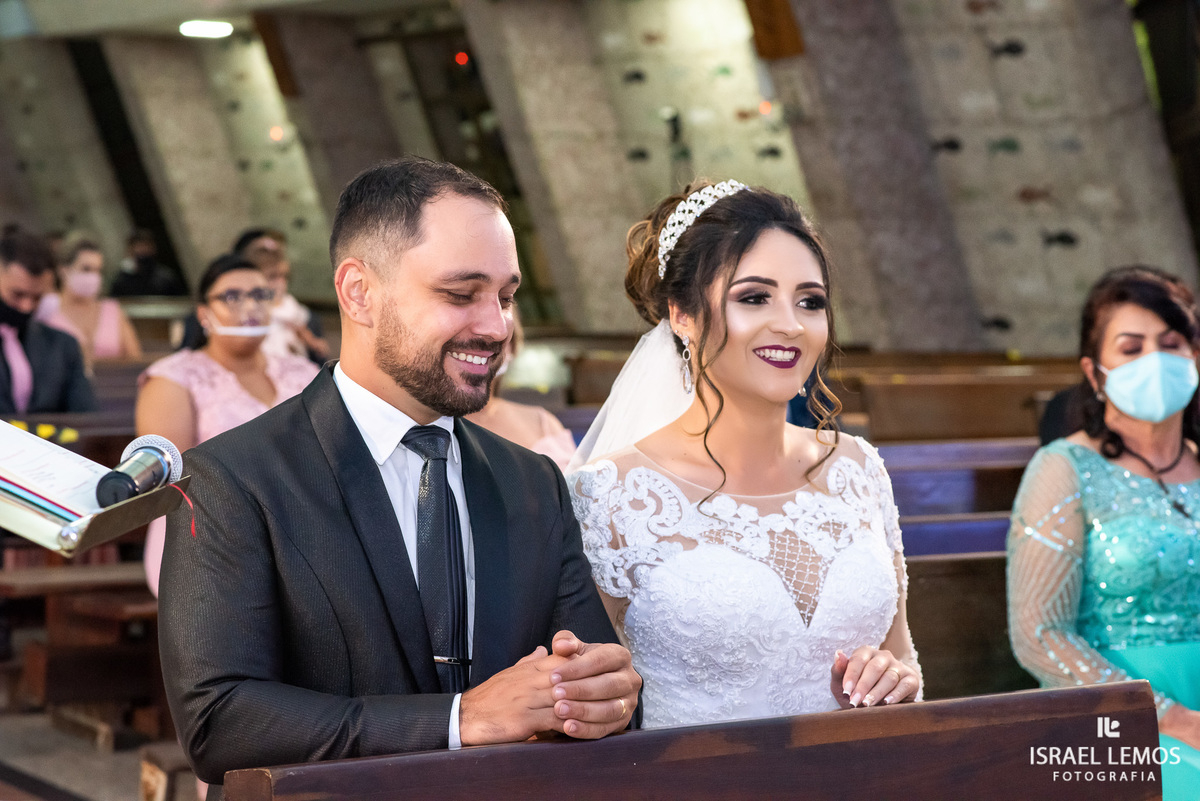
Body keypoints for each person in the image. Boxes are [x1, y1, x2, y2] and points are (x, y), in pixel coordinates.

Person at [157, 158, 639, 796]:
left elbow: (587, 680)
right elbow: (220, 722)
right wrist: (457, 719)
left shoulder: (533, 483)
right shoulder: (232, 478)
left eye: (506, 296)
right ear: (359, 291)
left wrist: (606, 695)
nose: (496, 325)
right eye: (460, 294)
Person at [567, 180, 921, 729]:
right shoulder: (612, 496)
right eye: (754, 297)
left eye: (811, 301)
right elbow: (582, 707)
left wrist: (896, 679)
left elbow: (902, 655)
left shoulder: (858, 469)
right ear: (681, 314)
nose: (790, 324)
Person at [1008, 266, 1200, 798]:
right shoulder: (1064, 468)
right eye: (1131, 348)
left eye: (1172, 343)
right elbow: (1040, 634)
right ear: (1096, 374)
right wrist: (1172, 718)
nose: (1155, 361)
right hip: (1118, 720)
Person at [137, 252, 320, 595]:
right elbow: (169, 478)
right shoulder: (173, 378)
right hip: (202, 537)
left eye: (261, 295)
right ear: (204, 313)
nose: (249, 307)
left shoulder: (303, 373)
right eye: (232, 297)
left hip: (300, 533)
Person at [178, 229, 330, 363]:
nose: (279, 284)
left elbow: (318, 363)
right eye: (271, 277)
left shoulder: (301, 315)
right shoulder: (210, 317)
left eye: (284, 276)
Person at [0, 230, 96, 414]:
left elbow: (86, 417)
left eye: (37, 297)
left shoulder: (63, 346)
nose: (26, 307)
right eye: (17, 294)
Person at [465, 311, 576, 469]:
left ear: (513, 345)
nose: (484, 346)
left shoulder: (543, 422)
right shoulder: (432, 426)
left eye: (501, 335)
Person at [36, 233, 143, 369]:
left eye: (98, 270)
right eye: (86, 269)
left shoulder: (112, 311)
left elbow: (135, 362)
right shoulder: (47, 310)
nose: (93, 276)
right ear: (64, 270)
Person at [110, 229, 187, 297]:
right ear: (130, 250)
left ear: (153, 248)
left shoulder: (166, 278)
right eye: (139, 247)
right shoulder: (122, 280)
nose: (143, 251)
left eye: (146, 247)